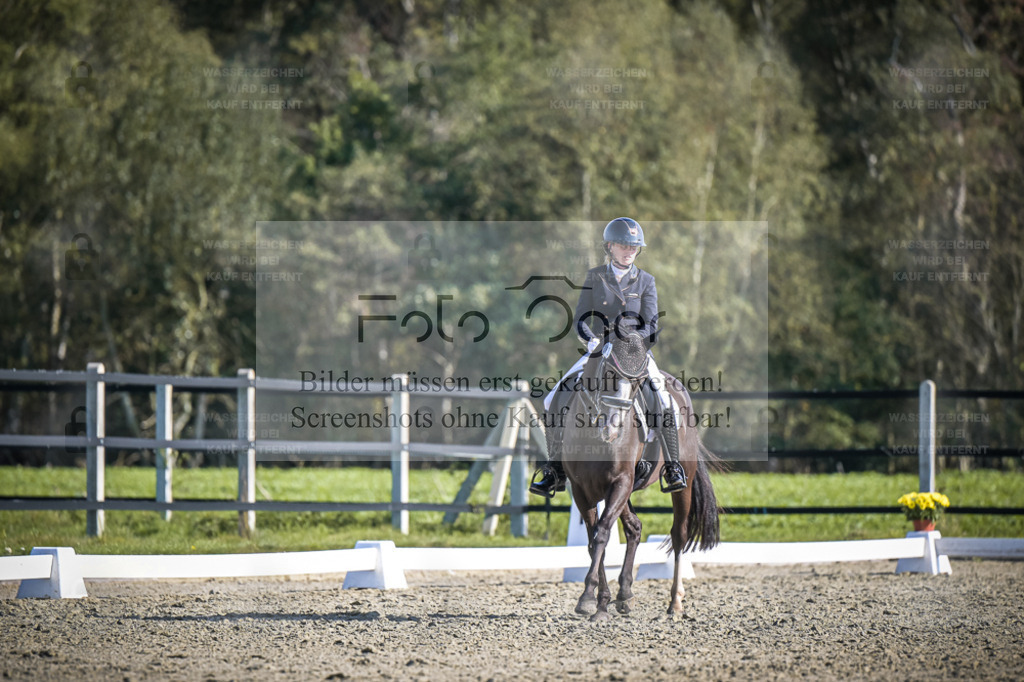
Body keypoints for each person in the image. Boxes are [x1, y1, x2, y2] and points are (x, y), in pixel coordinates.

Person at [530, 217, 688, 497]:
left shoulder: (646, 281)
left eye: (634, 247)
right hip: (600, 347)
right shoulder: (595, 277)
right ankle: (554, 470)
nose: (630, 251)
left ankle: (672, 467)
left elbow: (651, 324)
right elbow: (579, 317)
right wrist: (589, 338)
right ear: (610, 246)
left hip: (633, 352)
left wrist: (635, 342)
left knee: (664, 398)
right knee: (553, 396)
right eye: (625, 245)